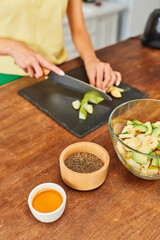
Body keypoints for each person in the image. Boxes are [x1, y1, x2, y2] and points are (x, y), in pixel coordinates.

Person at [0, 0, 121, 90]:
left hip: (56, 71)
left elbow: (79, 31)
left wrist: (91, 60)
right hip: (7, 78)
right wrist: (12, 47)